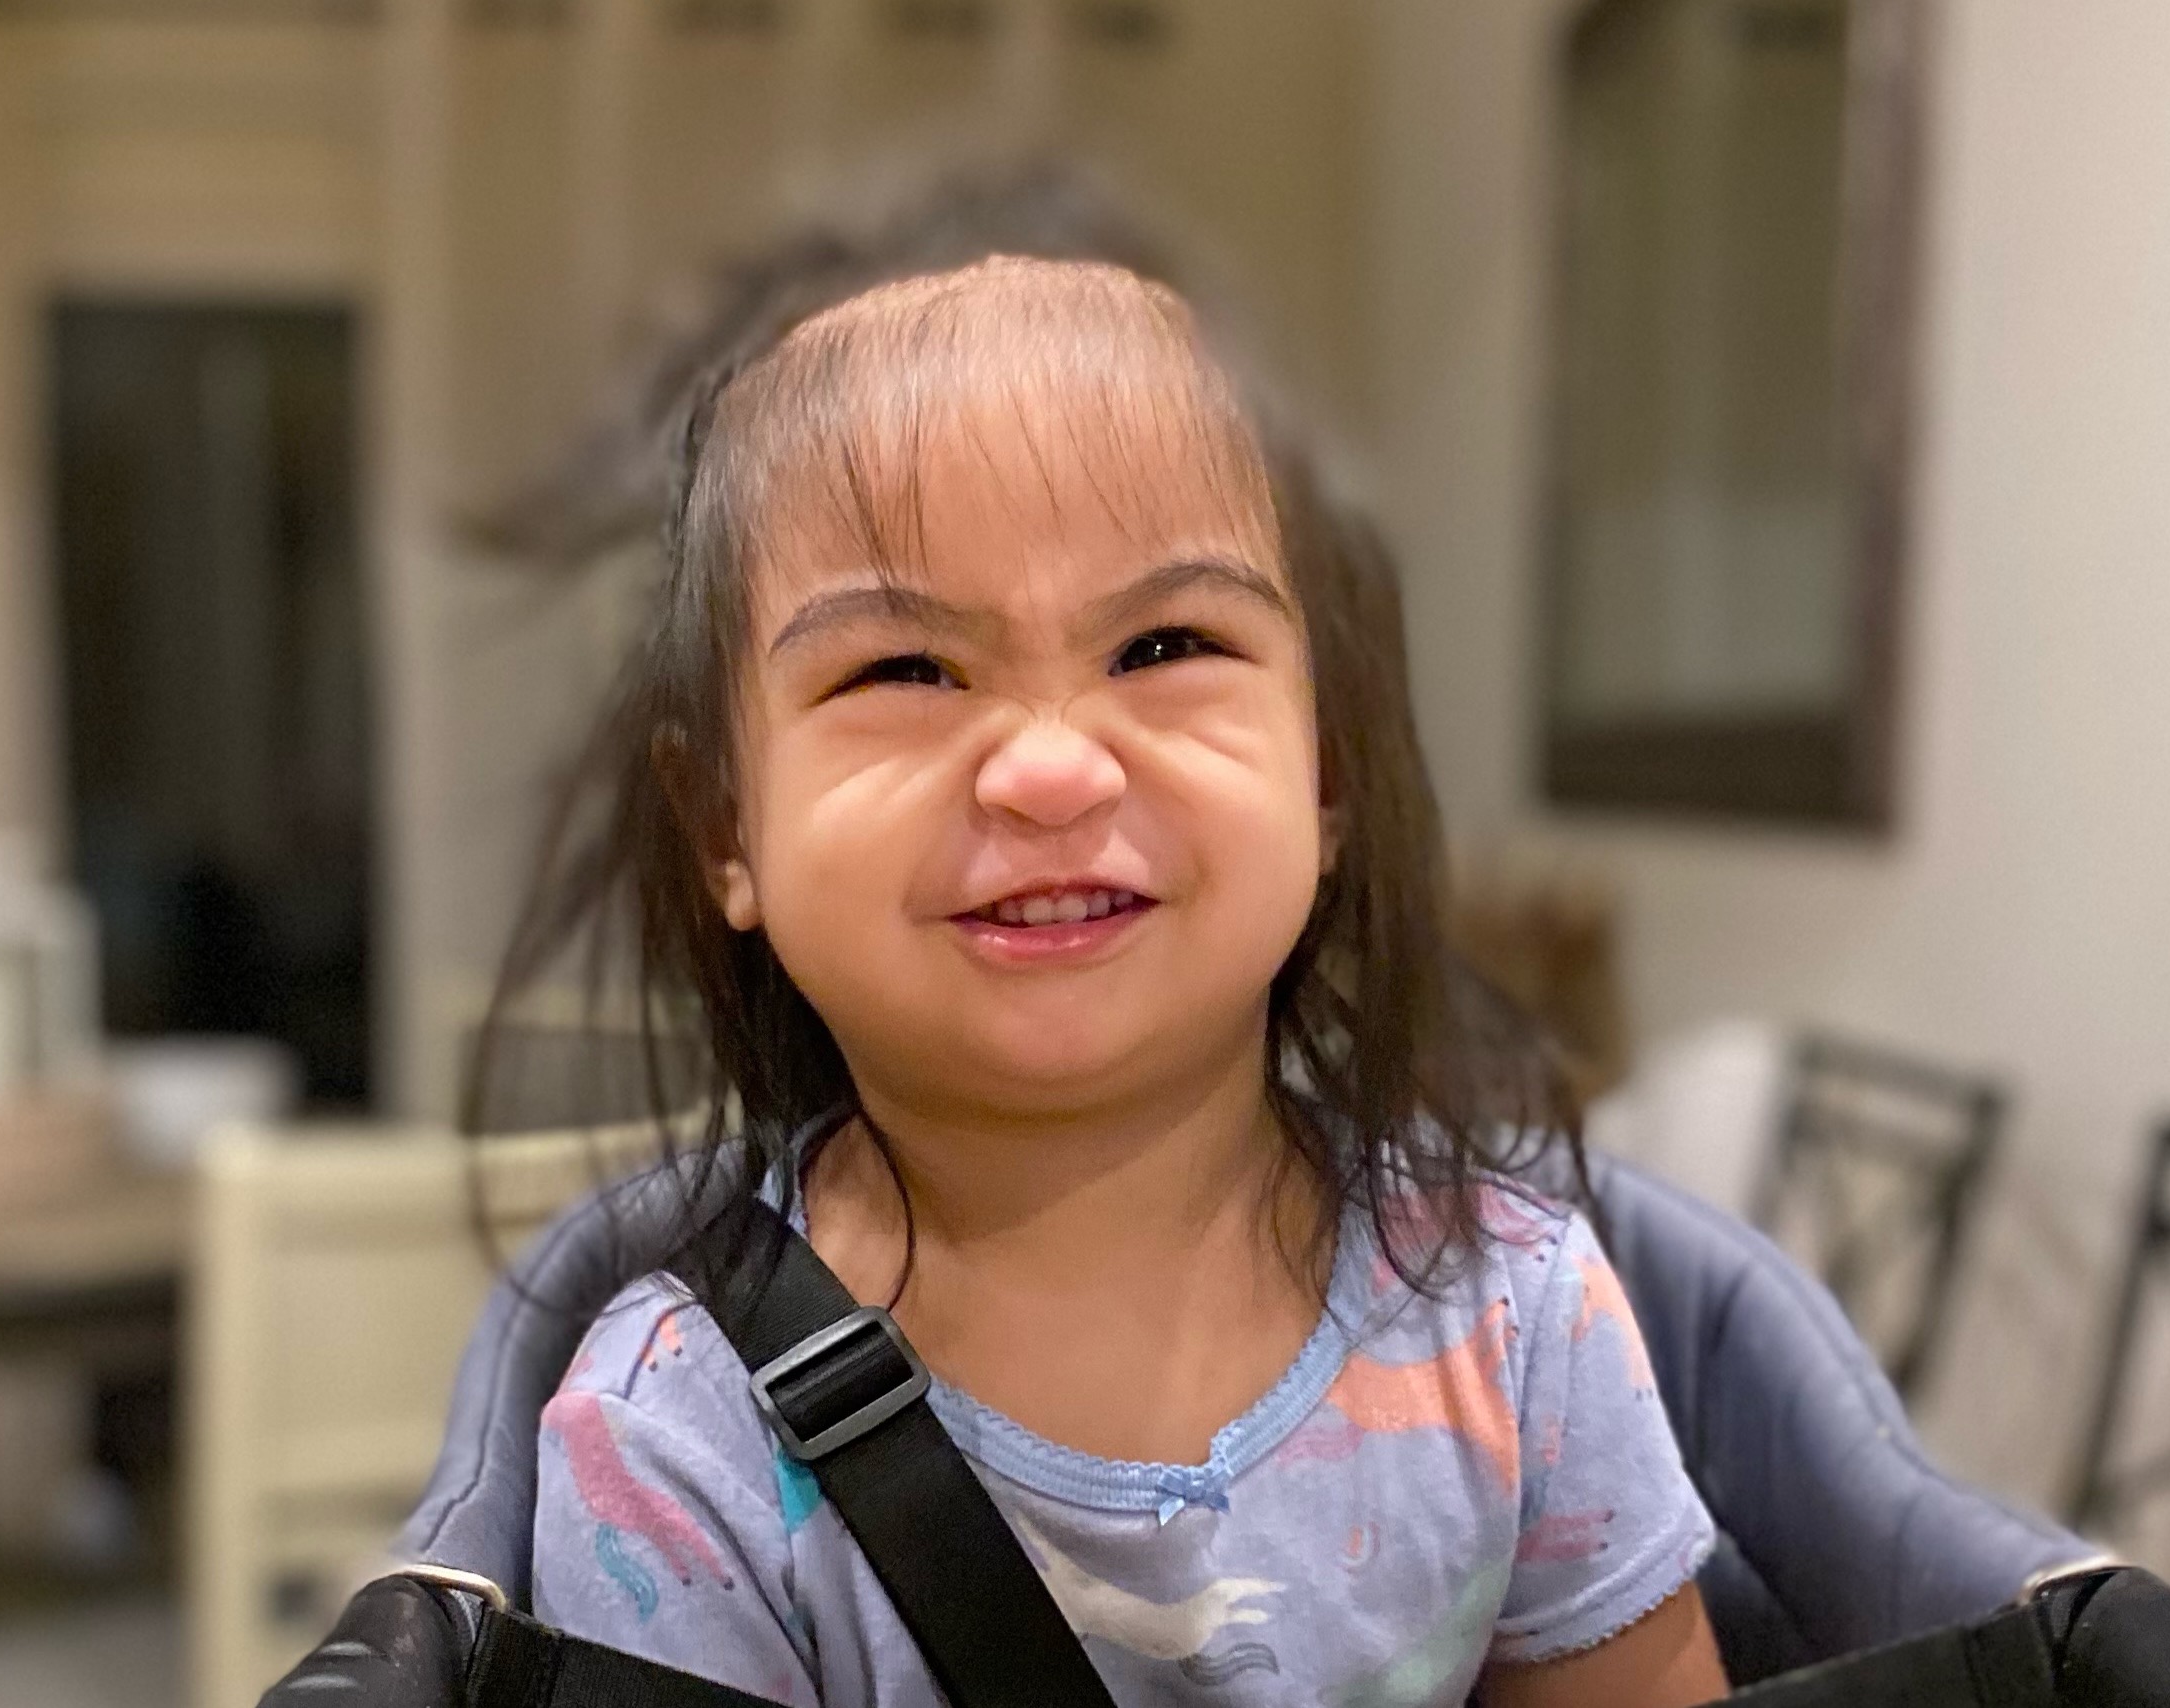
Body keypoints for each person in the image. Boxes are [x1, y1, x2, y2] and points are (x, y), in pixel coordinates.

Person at [483, 254, 1726, 1708]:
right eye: (905, 670)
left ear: (1326, 774)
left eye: (1165, 645)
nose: (1052, 768)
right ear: (724, 829)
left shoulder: (1515, 1322)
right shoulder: (669, 1451)